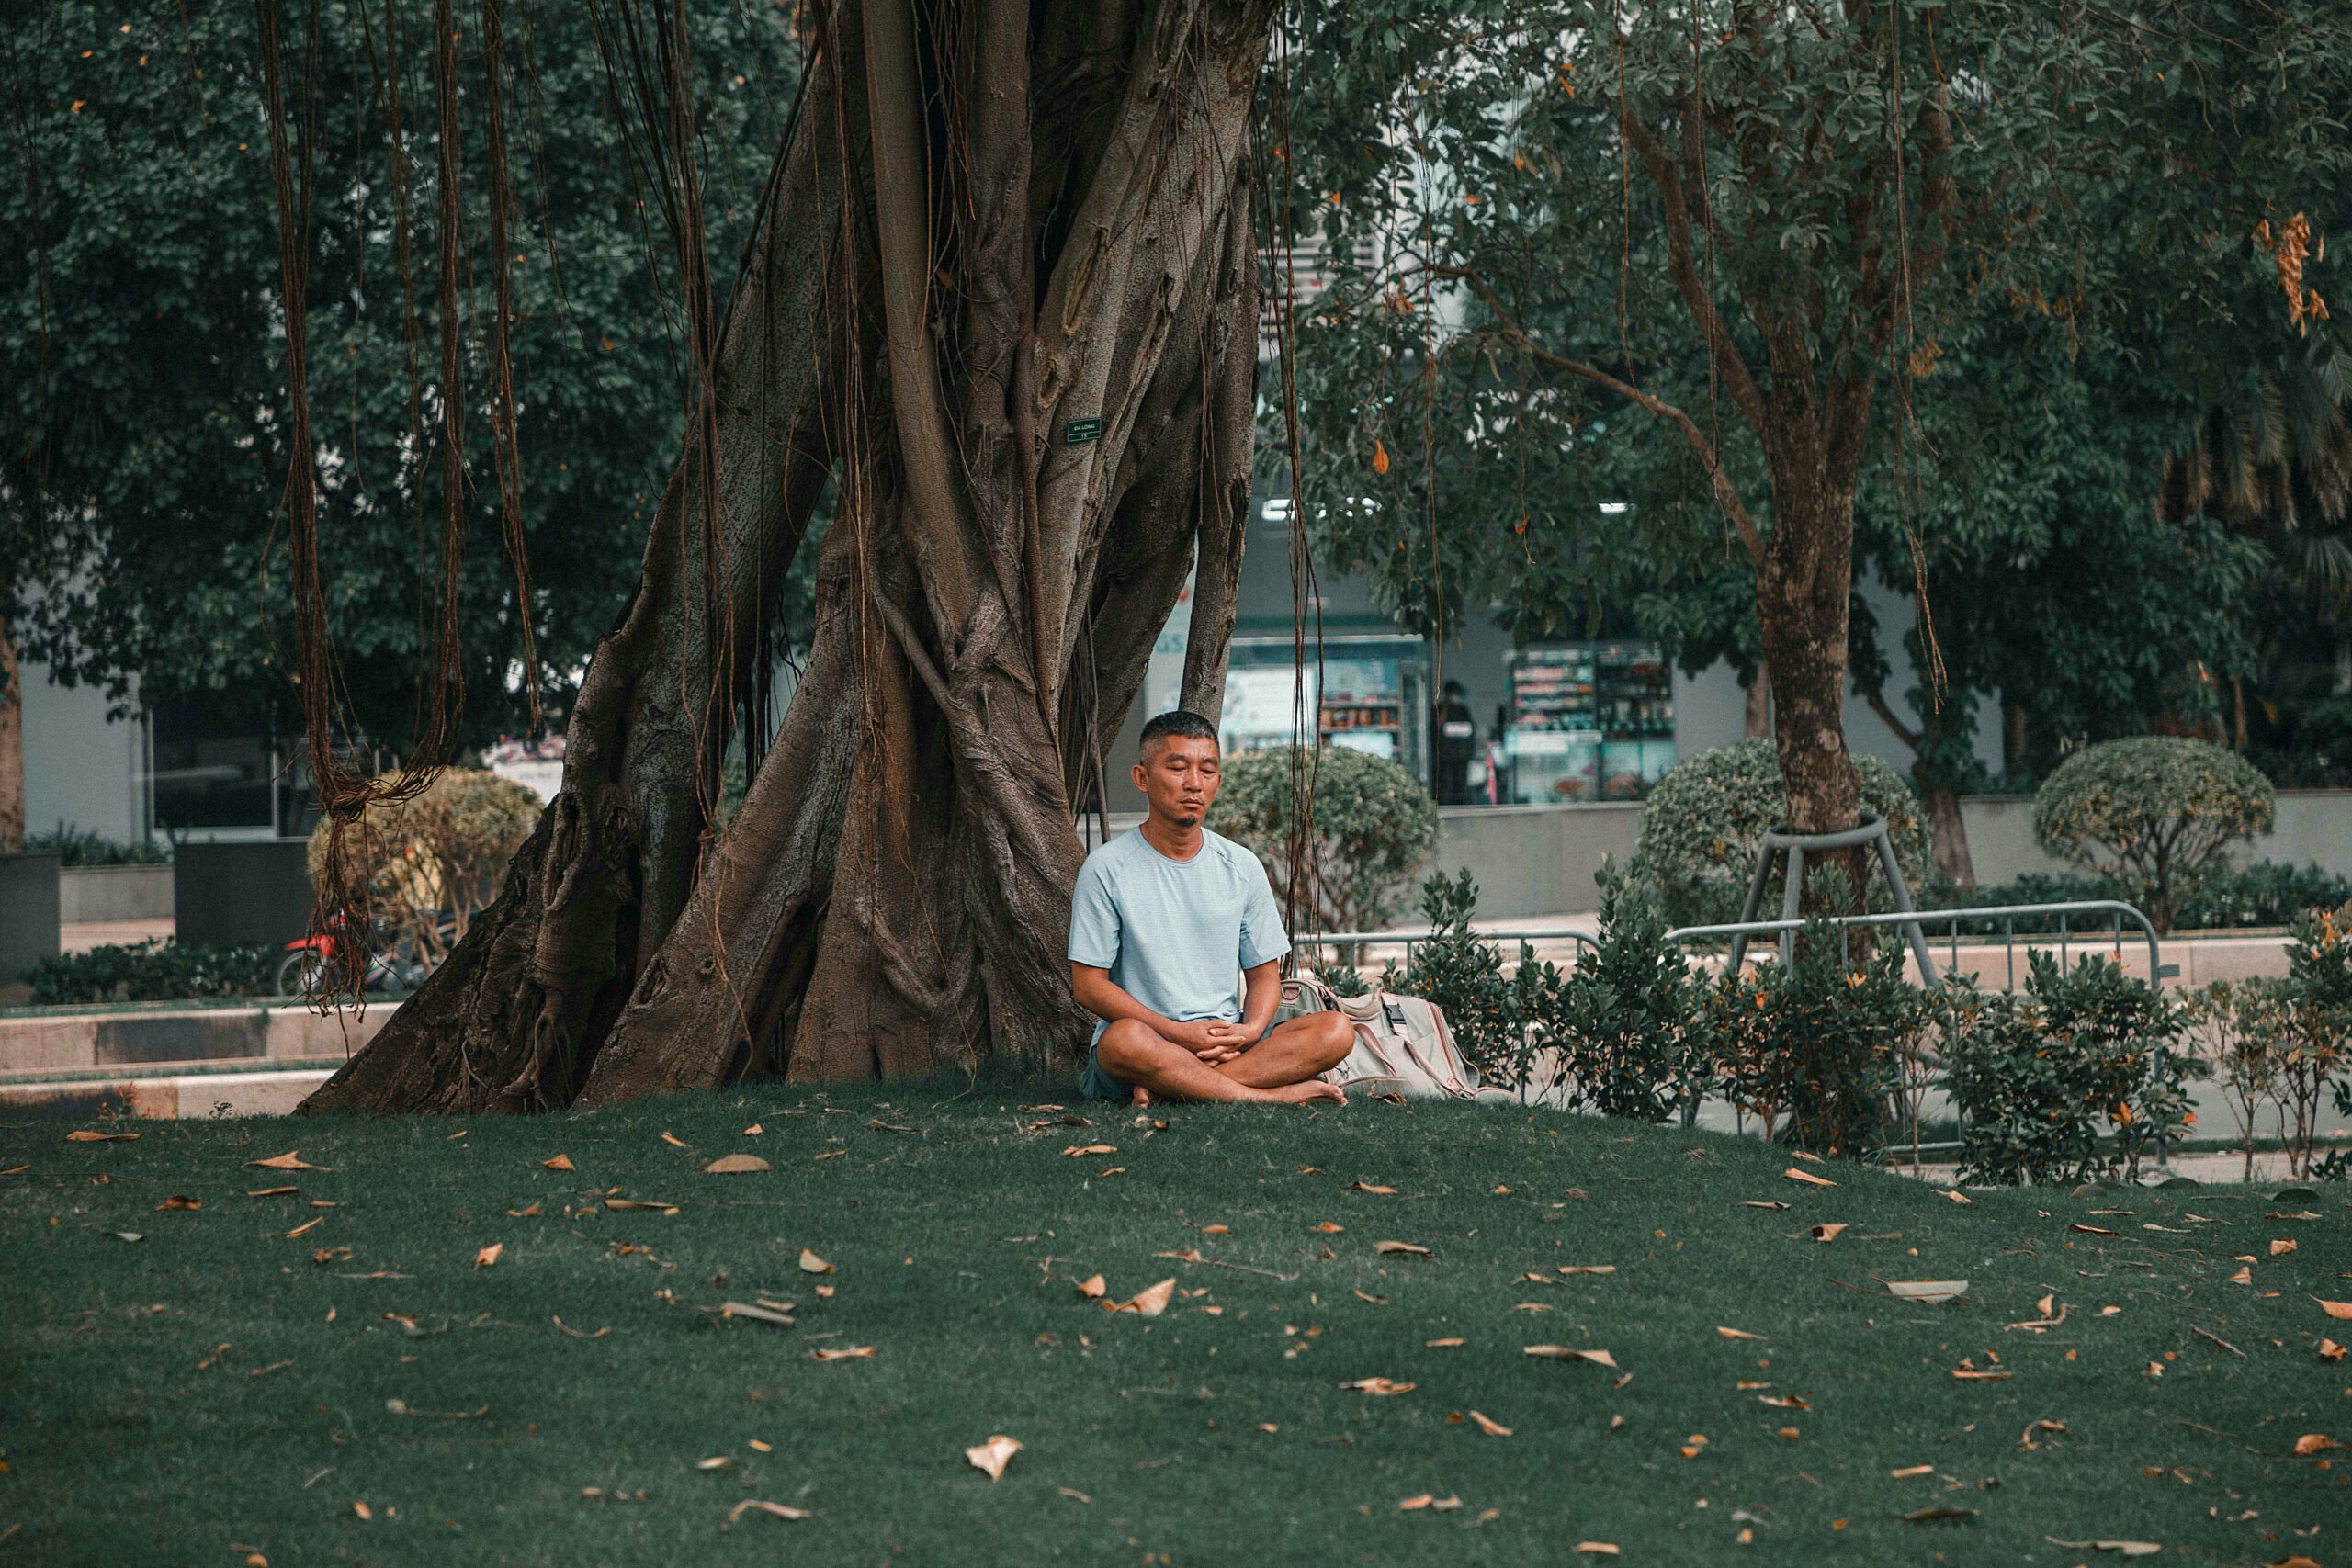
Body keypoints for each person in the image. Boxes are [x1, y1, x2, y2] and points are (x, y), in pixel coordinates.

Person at [1069, 710, 1353, 1107]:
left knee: (1337, 1030)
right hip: (1149, 1042)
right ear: (1142, 778)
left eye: (1207, 770)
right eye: (1177, 767)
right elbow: (1088, 985)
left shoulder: (1241, 865)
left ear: (1219, 781)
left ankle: (1174, 1090)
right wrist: (1175, 1032)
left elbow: (1264, 975)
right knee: (1123, 1040)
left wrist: (1250, 1031)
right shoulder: (1106, 868)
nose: (1193, 784)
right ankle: (1268, 1098)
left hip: (1225, 1043)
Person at [1432, 679, 1477, 804]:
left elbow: (1470, 729)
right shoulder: (1440, 708)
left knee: (1461, 782)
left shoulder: (1462, 709)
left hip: (1461, 753)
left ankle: (1461, 804)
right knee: (1446, 783)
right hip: (1445, 754)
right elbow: (1438, 723)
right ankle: (1446, 805)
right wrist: (1447, 704)